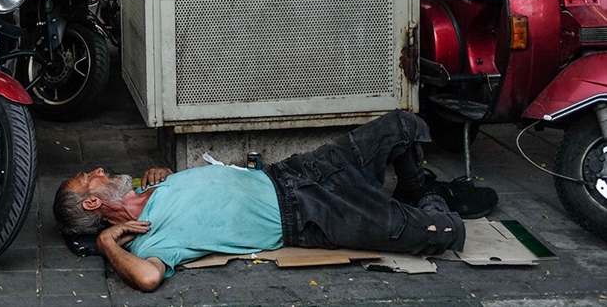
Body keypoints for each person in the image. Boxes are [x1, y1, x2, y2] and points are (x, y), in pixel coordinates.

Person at [53, 110, 498, 292]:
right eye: (87, 178)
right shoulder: (147, 243)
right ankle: (427, 199)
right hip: (309, 215)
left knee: (403, 124)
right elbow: (148, 280)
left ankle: (413, 189)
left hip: (295, 173)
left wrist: (164, 179)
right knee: (444, 233)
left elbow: (193, 186)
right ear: (92, 205)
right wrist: (108, 244)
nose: (98, 171)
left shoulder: (152, 184)